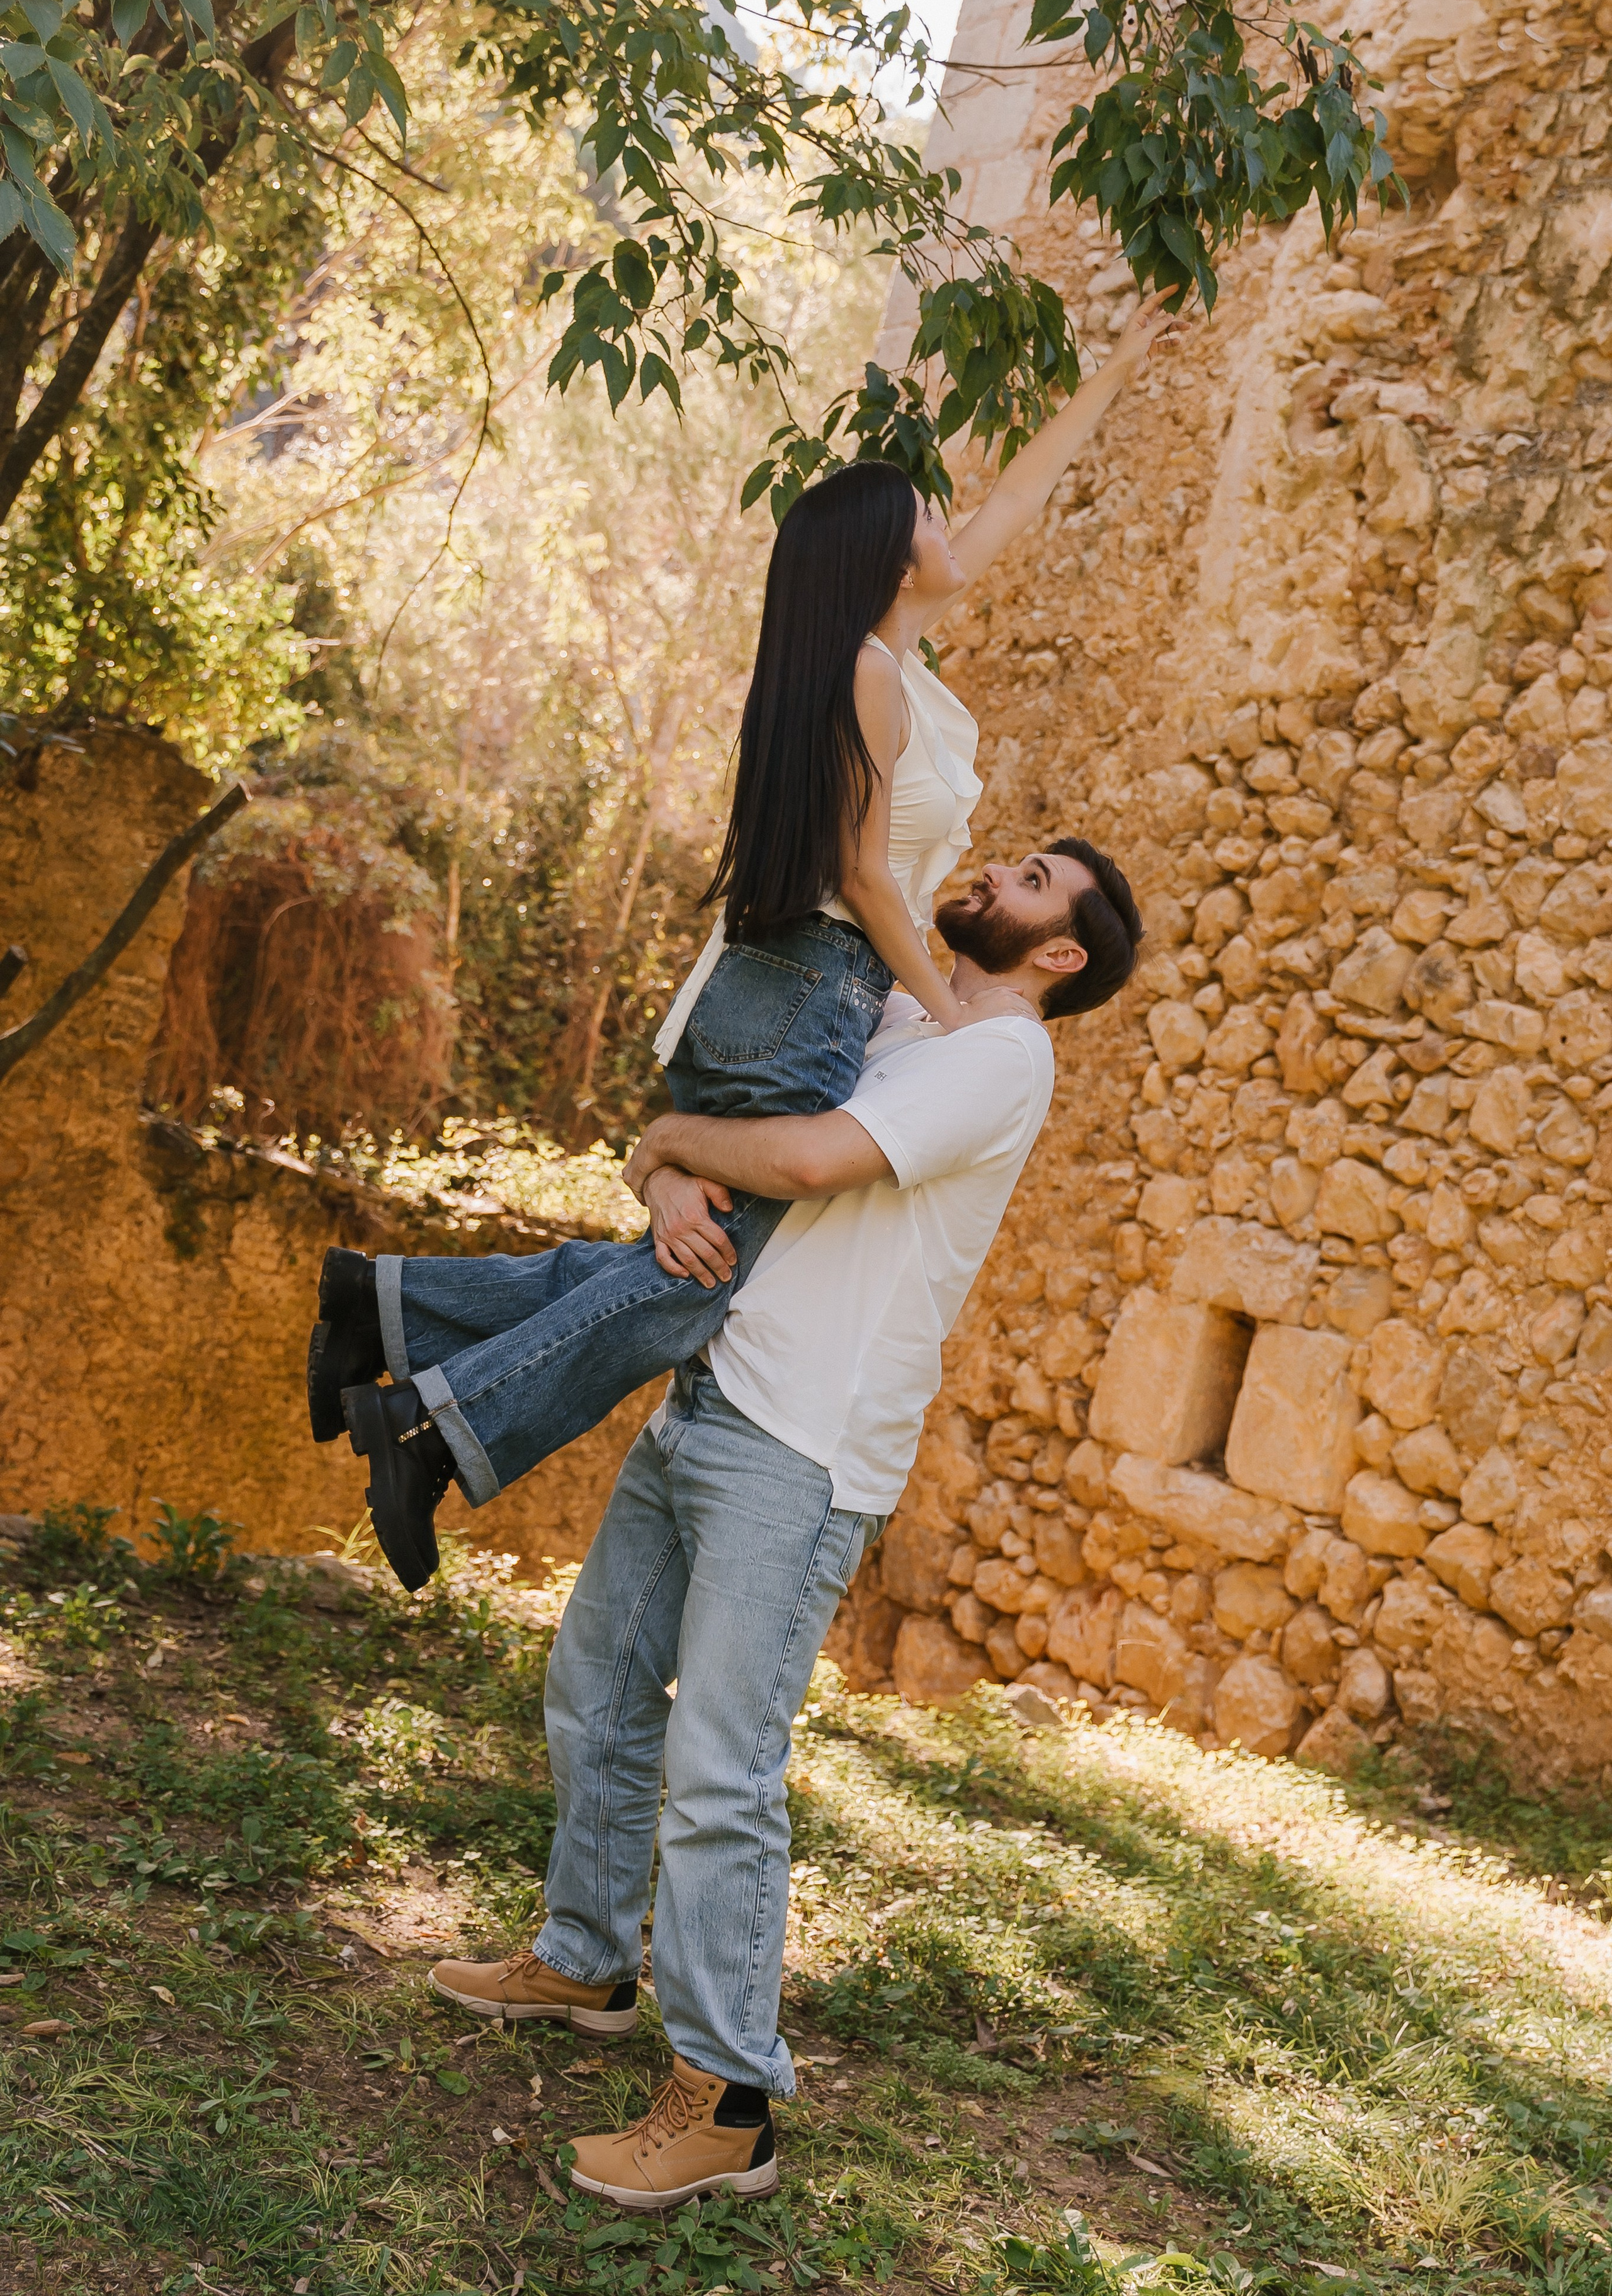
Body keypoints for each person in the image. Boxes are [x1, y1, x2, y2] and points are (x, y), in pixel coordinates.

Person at [305, 293, 1180, 1588]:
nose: (954, 527)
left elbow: (1002, 521)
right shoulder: (871, 679)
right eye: (928, 520)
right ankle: (430, 1418)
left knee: (681, 1254)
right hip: (814, 985)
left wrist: (1113, 374)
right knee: (698, 1280)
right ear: (890, 562)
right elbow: (863, 876)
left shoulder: (888, 661)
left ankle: (383, 1315)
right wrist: (946, 1008)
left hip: (791, 988)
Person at [425, 838, 1144, 2208]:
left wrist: (669, 1139)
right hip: (711, 1388)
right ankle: (581, 1960)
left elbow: (810, 1158)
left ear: (1059, 956)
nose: (1000, 866)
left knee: (719, 1765)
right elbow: (741, 1123)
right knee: (598, 1686)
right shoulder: (894, 1015)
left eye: (1038, 879)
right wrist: (665, 1176)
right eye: (1016, 852)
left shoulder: (1001, 1059)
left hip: (803, 1445)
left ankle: (726, 2101)